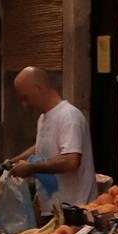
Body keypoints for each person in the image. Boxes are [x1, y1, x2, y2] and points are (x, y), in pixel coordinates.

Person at [9, 67, 97, 212]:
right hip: (52, 208)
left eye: (26, 97)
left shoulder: (69, 116)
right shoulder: (43, 118)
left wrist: (31, 168)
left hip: (74, 210)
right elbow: (42, 145)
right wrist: (13, 162)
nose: (24, 104)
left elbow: (71, 161)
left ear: (39, 88)